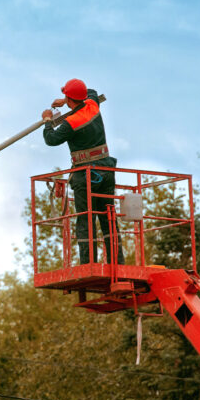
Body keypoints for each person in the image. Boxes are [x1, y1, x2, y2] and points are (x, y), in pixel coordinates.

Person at [41, 78, 124, 265]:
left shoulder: (72, 122)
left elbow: (51, 139)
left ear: (69, 98)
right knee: (108, 216)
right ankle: (117, 262)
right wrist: (66, 101)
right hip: (106, 169)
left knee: (86, 218)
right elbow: (92, 91)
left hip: (86, 174)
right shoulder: (93, 106)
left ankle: (88, 264)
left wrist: (47, 120)